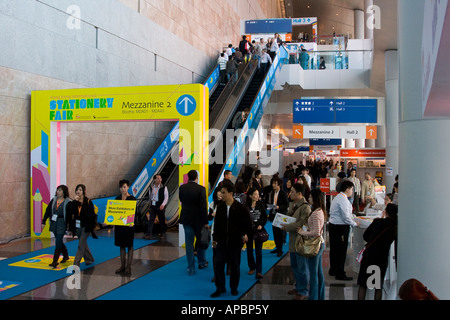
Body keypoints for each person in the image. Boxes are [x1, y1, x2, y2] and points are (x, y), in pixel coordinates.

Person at [211, 181, 252, 298]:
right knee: (218, 265)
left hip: (235, 243)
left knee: (235, 267)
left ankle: (234, 288)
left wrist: (244, 234)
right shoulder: (220, 207)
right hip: (221, 243)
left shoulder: (241, 208)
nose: (221, 195)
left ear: (230, 193)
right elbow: (217, 225)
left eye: (223, 193)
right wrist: (214, 240)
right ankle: (220, 288)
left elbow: (247, 225)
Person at [357, 203, 398, 300]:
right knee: (378, 286)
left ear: (386, 212)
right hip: (381, 258)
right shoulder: (395, 227)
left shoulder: (377, 222)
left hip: (369, 256)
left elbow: (365, 236)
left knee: (363, 285)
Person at [280, 183, 311, 300]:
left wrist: (286, 227)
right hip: (292, 241)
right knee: (294, 266)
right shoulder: (292, 204)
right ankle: (298, 287)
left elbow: (302, 224)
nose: (290, 193)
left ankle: (304, 291)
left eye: (292, 191)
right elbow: (289, 218)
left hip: (301, 242)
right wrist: (281, 221)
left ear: (299, 193)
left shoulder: (305, 207)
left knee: (302, 267)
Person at [297, 189, 326, 300]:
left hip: (315, 245)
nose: (308, 199)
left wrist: (302, 232)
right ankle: (319, 296)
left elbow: (316, 232)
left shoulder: (315, 213)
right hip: (319, 244)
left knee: (314, 273)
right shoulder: (320, 211)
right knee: (318, 272)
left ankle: (313, 296)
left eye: (310, 197)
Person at [179, 170, 209, 275]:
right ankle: (202, 262)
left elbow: (181, 200)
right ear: (197, 177)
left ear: (188, 177)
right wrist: (206, 221)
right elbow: (203, 207)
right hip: (199, 220)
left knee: (189, 243)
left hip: (186, 219)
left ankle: (190, 267)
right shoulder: (201, 189)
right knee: (201, 242)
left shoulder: (182, 188)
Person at [328, 180, 359, 280]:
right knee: (341, 251)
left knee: (334, 250)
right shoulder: (343, 200)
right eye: (352, 189)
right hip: (340, 227)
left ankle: (333, 269)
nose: (352, 191)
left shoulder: (338, 197)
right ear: (347, 189)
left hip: (334, 226)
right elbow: (346, 217)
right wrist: (354, 224)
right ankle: (340, 272)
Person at [42, 185, 72, 268]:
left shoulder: (68, 201)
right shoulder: (54, 200)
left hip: (62, 222)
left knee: (58, 241)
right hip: (54, 222)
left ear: (64, 192)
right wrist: (43, 221)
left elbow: (70, 215)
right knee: (59, 240)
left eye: (60, 190)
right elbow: (48, 210)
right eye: (57, 190)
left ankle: (55, 261)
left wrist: (71, 226)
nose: (58, 191)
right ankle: (65, 255)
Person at [70, 184, 97, 267]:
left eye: (80, 190)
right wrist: (74, 201)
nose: (78, 191)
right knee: (83, 244)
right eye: (77, 190)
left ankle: (76, 264)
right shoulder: (75, 202)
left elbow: (92, 215)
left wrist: (91, 226)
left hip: (86, 227)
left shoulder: (88, 201)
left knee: (80, 245)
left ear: (84, 191)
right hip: (78, 226)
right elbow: (71, 211)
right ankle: (89, 259)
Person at [114, 179, 136, 276]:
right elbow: (114, 213)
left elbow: (135, 213)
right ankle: (122, 265)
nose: (123, 189)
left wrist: (133, 222)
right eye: (121, 187)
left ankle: (128, 267)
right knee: (121, 245)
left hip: (129, 226)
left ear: (128, 187)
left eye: (125, 187)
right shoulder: (117, 199)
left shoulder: (132, 199)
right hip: (119, 226)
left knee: (129, 246)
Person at [246, 187, 267, 279]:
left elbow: (265, 218)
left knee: (259, 252)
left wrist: (261, 225)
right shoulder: (245, 206)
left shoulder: (261, 205)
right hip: (249, 231)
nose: (257, 196)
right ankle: (252, 267)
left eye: (258, 194)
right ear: (250, 196)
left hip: (258, 231)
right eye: (255, 194)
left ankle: (259, 271)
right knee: (249, 250)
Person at [266, 176, 289, 257]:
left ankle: (280, 249)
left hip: (280, 215)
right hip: (273, 214)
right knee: (275, 232)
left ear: (279, 185)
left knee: (280, 233)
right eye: (273, 183)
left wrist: (279, 207)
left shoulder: (283, 193)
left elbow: (286, 205)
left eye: (275, 183)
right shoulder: (272, 193)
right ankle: (277, 247)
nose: (273, 185)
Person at [144, 174, 169, 240]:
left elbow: (166, 197)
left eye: (160, 178)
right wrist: (151, 203)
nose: (159, 180)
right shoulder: (151, 187)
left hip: (160, 205)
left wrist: (163, 204)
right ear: (154, 180)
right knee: (151, 219)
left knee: (161, 220)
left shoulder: (164, 187)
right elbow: (150, 196)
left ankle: (163, 233)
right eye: (158, 178)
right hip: (153, 205)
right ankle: (149, 233)